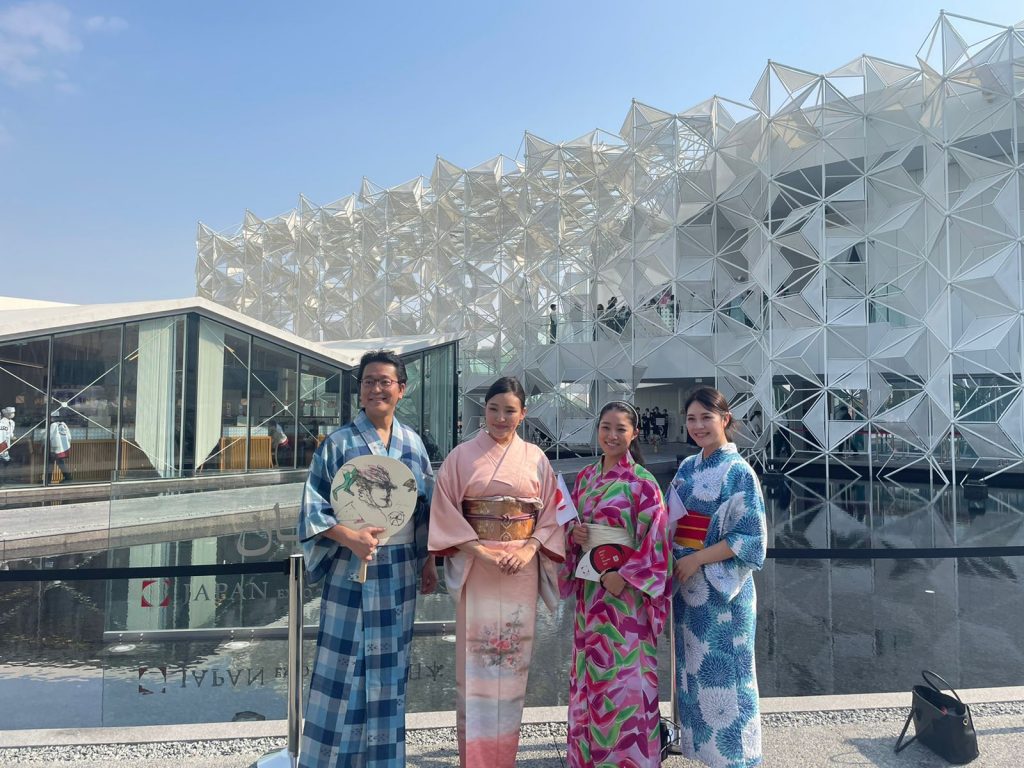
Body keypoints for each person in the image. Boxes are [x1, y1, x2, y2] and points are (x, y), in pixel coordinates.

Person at [297, 350, 438, 768]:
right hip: (350, 567)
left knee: (390, 671)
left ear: (401, 389)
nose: (376, 388)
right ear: (359, 390)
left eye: (385, 381)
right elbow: (312, 509)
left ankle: (382, 761)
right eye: (368, 381)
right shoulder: (338, 444)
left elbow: (425, 506)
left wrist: (428, 560)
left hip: (397, 572)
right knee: (341, 667)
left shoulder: (413, 443)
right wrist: (348, 537)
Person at [429, 377, 564, 766]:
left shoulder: (537, 458)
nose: (501, 417)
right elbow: (445, 515)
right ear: (483, 411)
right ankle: (476, 759)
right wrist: (482, 552)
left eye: (510, 410)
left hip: (521, 568)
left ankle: (504, 757)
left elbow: (552, 515)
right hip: (479, 568)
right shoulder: (461, 457)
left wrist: (530, 548)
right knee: (476, 668)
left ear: (522, 414)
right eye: (494, 409)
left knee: (513, 666)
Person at [560, 400, 671, 768]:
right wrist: (574, 536)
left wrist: (623, 576)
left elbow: (656, 542)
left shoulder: (643, 483)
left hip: (626, 599)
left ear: (634, 434)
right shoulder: (586, 478)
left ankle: (631, 760)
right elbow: (574, 528)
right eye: (605, 427)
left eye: (620, 429)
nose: (611, 435)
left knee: (625, 680)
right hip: (592, 593)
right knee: (591, 674)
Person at [669, 386, 767, 767]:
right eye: (691, 419)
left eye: (706, 418)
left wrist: (696, 560)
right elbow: (670, 520)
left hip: (723, 591)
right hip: (687, 588)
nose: (697, 426)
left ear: (725, 420)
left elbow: (750, 538)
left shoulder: (739, 471)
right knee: (695, 673)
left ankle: (738, 758)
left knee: (731, 675)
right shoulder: (688, 467)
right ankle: (703, 753)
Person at [48, 409, 73, 483]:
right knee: (60, 463)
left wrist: (43, 443)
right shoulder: (63, 424)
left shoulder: (53, 425)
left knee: (50, 464)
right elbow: (69, 436)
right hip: (63, 448)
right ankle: (68, 477)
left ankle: (47, 480)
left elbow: (49, 436)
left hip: (55, 447)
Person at [0, 406, 14, 482]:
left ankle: (4, 479)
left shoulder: (7, 424)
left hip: (4, 445)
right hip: (2, 446)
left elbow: (9, 435)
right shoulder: (3, 423)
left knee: (5, 462)